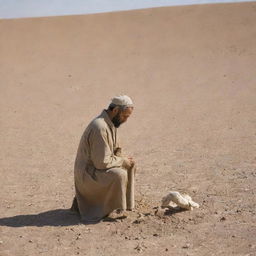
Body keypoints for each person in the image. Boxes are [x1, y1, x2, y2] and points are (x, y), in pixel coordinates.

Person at [71, 95, 136, 223]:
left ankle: (126, 205)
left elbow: (115, 150)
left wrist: (124, 159)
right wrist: (122, 161)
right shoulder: (99, 127)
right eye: (124, 116)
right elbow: (101, 162)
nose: (125, 120)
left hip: (96, 168)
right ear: (115, 111)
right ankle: (113, 208)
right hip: (88, 175)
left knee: (131, 164)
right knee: (119, 174)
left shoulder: (111, 123)